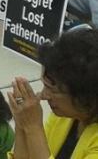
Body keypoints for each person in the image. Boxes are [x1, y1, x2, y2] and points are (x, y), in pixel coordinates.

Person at [8, 29, 98, 159]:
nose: (43, 96)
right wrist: (22, 124)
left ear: (85, 95)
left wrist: (33, 127)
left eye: (52, 90)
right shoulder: (64, 116)